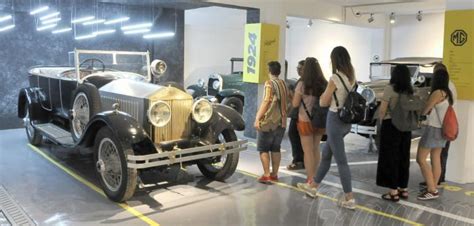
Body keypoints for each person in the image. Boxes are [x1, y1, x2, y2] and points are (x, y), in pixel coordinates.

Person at [297, 46, 356, 210]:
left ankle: (349, 198)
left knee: (341, 161)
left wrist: (324, 96)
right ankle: (313, 187)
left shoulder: (335, 78)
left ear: (335, 60)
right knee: (325, 157)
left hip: (334, 120)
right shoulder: (351, 78)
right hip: (346, 121)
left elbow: (323, 102)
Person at [376, 65, 413, 202]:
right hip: (406, 127)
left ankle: (393, 192)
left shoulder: (390, 89)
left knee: (390, 158)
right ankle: (403, 188)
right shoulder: (410, 90)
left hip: (391, 126)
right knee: (404, 157)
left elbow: (382, 110)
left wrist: (380, 123)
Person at [416, 69, 454, 200]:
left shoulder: (437, 92)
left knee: (420, 159)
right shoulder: (447, 93)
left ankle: (432, 190)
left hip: (434, 129)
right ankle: (433, 187)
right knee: (436, 157)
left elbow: (427, 108)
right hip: (442, 130)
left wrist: (420, 114)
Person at [293, 57, 327, 188]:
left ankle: (310, 180)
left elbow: (296, 103)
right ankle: (315, 178)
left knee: (307, 151)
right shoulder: (323, 83)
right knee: (315, 148)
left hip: (305, 120)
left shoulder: (302, 84)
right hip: (319, 121)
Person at [254, 61, 288, 184]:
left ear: (269, 71)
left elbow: (266, 101)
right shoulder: (283, 83)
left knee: (263, 148)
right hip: (282, 122)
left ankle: (266, 174)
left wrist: (258, 118)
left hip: (269, 123)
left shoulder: (269, 84)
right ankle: (274, 174)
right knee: (276, 148)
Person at [287, 60, 306, 170]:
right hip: (303, 115)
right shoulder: (305, 81)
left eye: (300, 68)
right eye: (297, 68)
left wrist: (290, 95)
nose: (298, 70)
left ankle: (298, 160)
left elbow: (296, 102)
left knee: (293, 134)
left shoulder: (302, 82)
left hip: (299, 114)